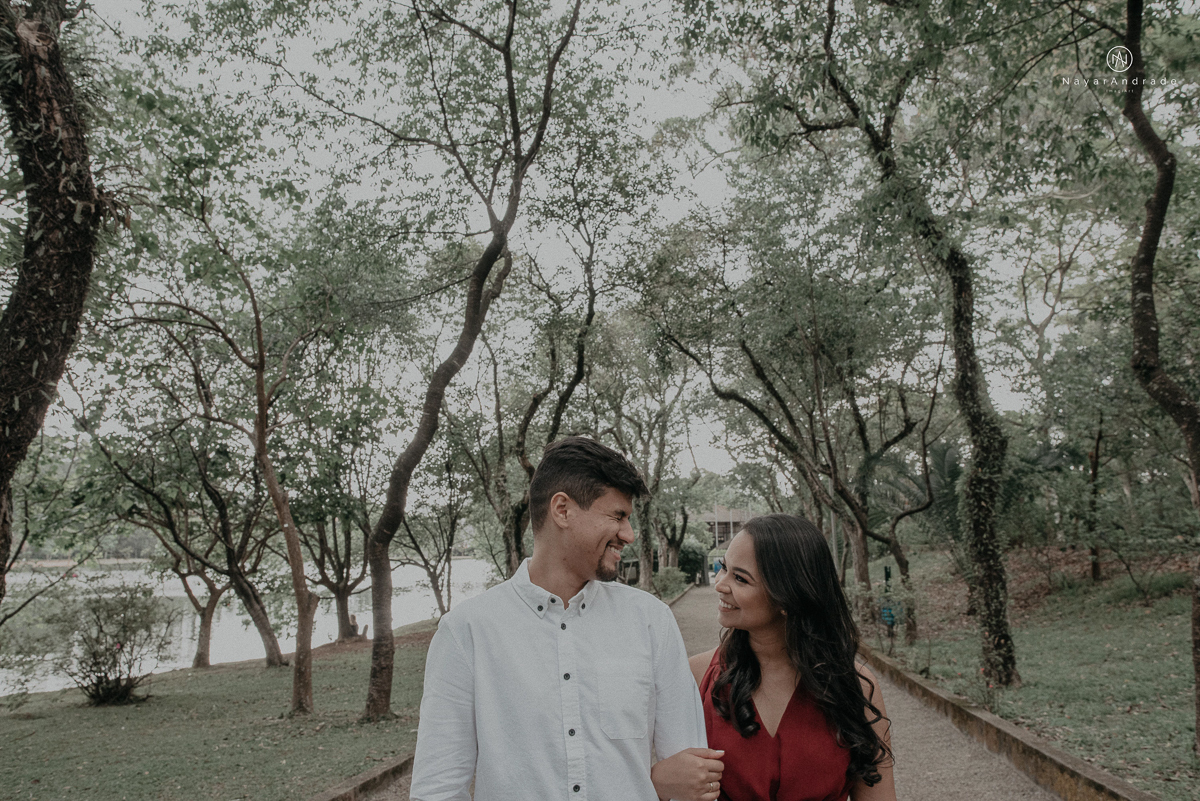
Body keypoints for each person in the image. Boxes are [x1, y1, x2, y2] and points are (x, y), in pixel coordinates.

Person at [410, 436, 725, 801]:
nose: (629, 534)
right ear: (562, 510)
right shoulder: (466, 633)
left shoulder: (652, 621)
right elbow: (438, 789)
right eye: (618, 516)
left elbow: (691, 772)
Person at [652, 514, 896, 801]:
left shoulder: (856, 686)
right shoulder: (695, 676)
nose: (719, 583)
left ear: (787, 597)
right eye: (723, 568)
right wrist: (656, 780)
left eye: (740, 578)